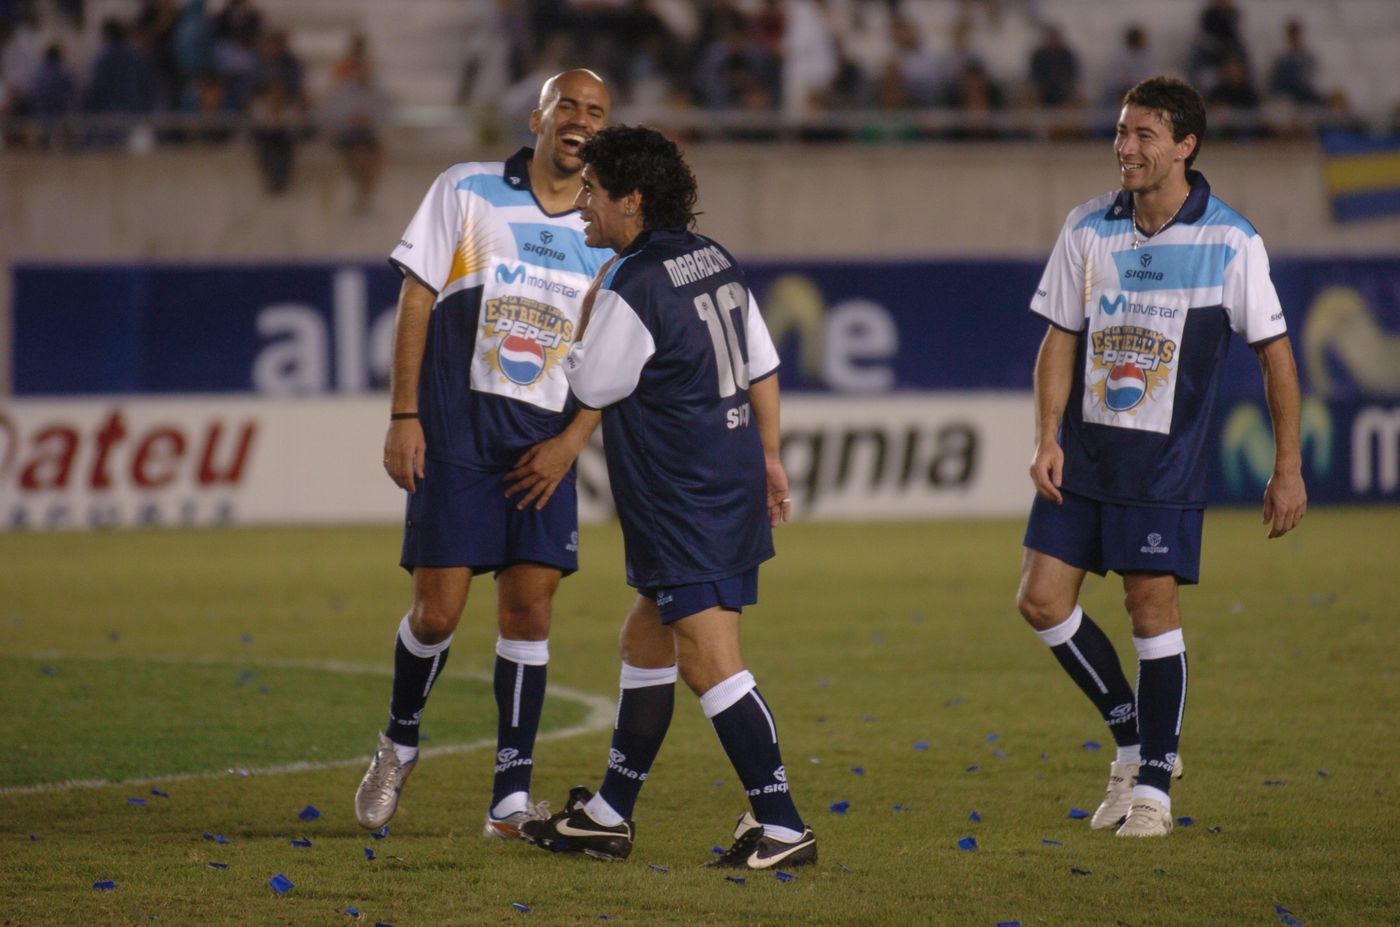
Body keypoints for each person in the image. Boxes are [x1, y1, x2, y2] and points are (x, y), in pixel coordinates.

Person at [1015, 76, 1306, 838]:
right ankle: (1134, 741)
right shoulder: (1087, 228)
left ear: (1185, 146)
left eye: (1144, 135)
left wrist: (1288, 467)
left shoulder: (1230, 241)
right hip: (1082, 457)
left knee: (1151, 608)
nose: (1126, 147)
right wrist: (1047, 434)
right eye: (1120, 132)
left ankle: (1154, 789)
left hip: (1162, 465)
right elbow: (1059, 339)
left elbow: (1277, 356)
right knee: (1040, 599)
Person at [520, 124, 816, 871]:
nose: (584, 204)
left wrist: (597, 290)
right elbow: (759, 364)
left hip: (685, 497)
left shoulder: (637, 280)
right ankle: (609, 813)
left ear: (633, 198)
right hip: (723, 479)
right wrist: (771, 458)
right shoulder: (712, 257)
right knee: (644, 641)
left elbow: (587, 383)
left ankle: (781, 823)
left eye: (594, 192)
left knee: (711, 662)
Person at [354, 69, 614, 840]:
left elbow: (609, 356)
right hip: (458, 433)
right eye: (567, 104)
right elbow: (416, 297)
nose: (579, 120)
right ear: (537, 115)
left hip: (543, 446)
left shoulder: (604, 231)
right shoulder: (466, 189)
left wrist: (571, 445)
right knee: (436, 613)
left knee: (529, 609)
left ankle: (509, 797)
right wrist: (405, 414)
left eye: (595, 112)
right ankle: (399, 740)